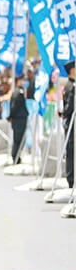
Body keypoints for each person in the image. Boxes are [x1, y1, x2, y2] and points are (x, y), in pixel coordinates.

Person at [8, 75, 28, 164]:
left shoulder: (19, 91)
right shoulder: (18, 92)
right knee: (18, 139)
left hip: (18, 119)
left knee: (19, 139)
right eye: (21, 80)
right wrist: (10, 116)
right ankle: (15, 157)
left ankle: (16, 156)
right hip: (19, 119)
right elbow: (14, 106)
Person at [62, 60, 75, 189]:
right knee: (71, 151)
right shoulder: (72, 86)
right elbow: (69, 106)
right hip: (72, 123)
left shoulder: (69, 85)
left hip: (70, 122)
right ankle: (71, 179)